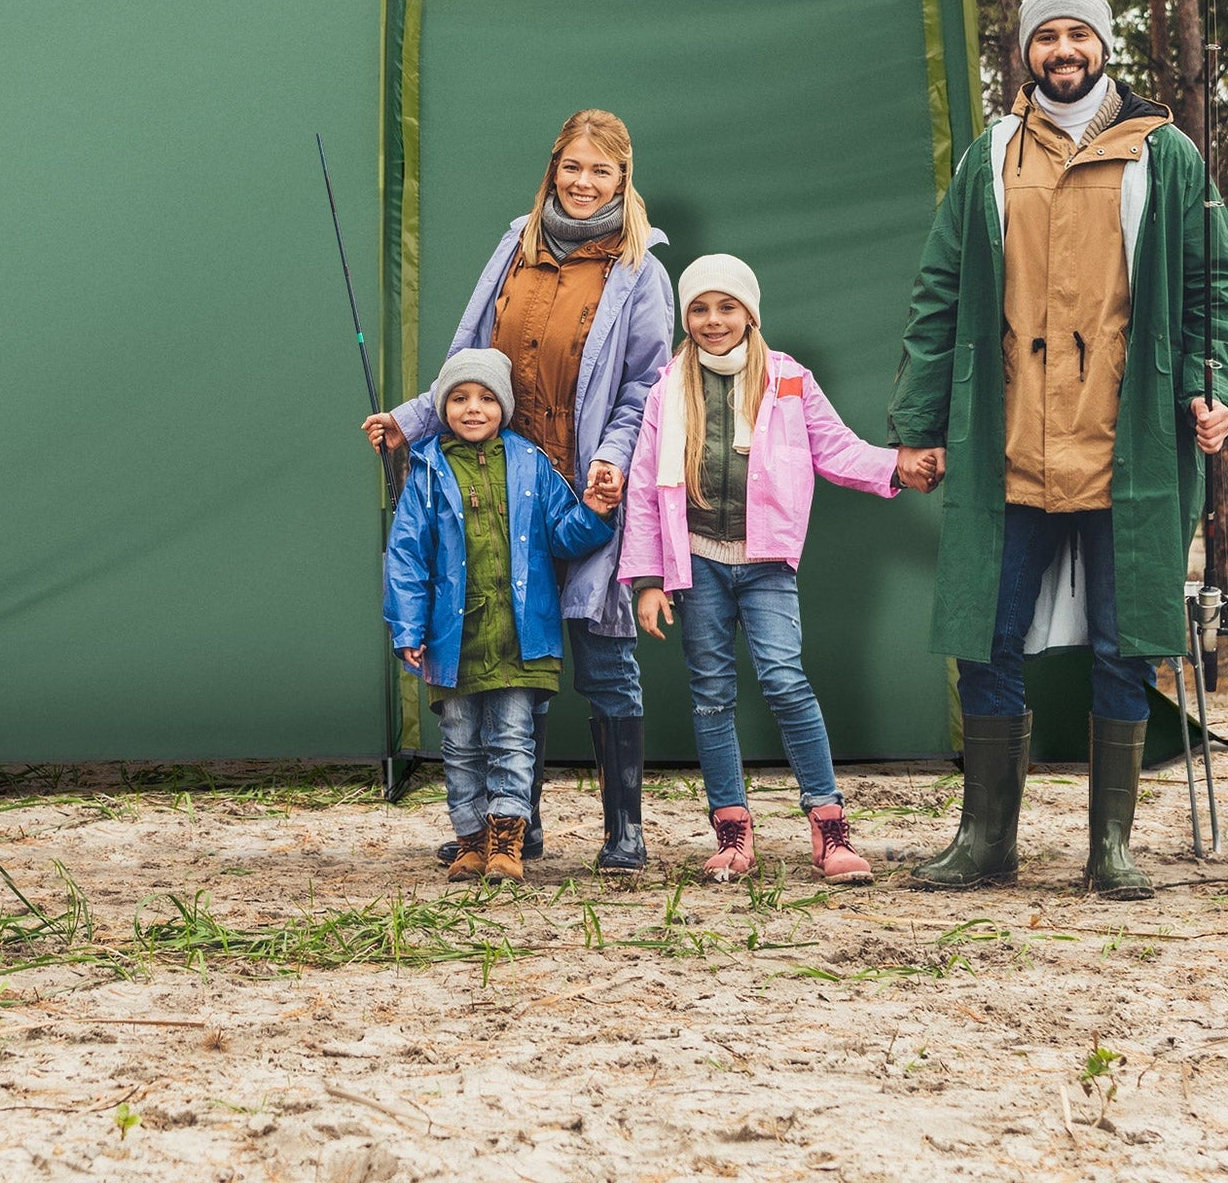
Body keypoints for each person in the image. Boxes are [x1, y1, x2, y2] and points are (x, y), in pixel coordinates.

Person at [892, 0, 1228, 898]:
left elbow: (1221, 289)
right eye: (1045, 35)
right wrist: (918, 426)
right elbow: (938, 298)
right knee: (985, 634)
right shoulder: (989, 157)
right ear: (1025, 53)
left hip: (1122, 445)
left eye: (1077, 34)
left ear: (1102, 47)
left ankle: (1112, 848)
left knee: (1127, 639)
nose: (1061, 49)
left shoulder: (1163, 156)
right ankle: (986, 843)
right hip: (1005, 440)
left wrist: (1219, 390)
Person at [364, 109, 674, 871]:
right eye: (572, 166)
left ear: (623, 178)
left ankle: (623, 831)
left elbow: (646, 385)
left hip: (585, 478)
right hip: (497, 481)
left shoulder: (642, 270)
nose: (582, 182)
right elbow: (465, 355)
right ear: (553, 168)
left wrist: (612, 458)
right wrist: (410, 419)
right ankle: (513, 825)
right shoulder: (516, 246)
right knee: (500, 655)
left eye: (600, 170)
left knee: (604, 657)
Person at [618, 257, 934, 883]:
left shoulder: (788, 378)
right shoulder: (667, 387)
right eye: (700, 310)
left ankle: (829, 826)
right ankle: (733, 834)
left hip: (765, 563)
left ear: (750, 314)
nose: (713, 321)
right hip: (699, 564)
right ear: (686, 318)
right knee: (711, 695)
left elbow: (835, 447)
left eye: (726, 307)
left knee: (785, 680)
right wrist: (648, 581)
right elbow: (645, 490)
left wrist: (897, 466)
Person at [383, 348, 615, 882]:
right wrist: (409, 626)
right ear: (442, 407)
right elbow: (407, 555)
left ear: (504, 407)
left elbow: (563, 535)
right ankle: (469, 841)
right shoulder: (424, 470)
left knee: (513, 739)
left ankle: (507, 843)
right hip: (451, 639)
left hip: (519, 636)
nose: (472, 408)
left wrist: (598, 513)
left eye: (486, 398)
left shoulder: (531, 463)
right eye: (460, 397)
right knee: (460, 743)